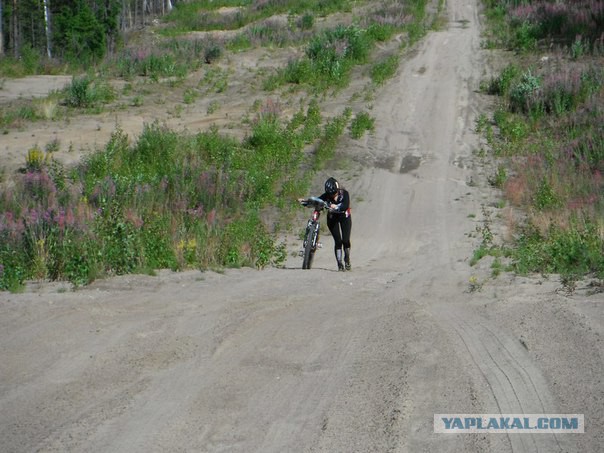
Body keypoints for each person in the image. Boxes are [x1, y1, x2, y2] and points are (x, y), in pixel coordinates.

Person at [320, 177, 352, 271]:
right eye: (330, 194)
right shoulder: (326, 195)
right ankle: (339, 263)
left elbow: (345, 206)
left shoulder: (344, 194)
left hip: (344, 217)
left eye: (334, 193)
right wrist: (306, 201)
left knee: (345, 240)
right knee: (338, 241)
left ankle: (347, 258)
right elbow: (317, 200)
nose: (332, 196)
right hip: (332, 218)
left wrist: (336, 206)